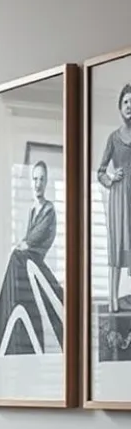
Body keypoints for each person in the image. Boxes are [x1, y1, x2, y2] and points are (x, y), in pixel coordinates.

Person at [0, 159, 63, 356]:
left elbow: (35, 237)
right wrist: (24, 244)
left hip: (37, 262)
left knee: (16, 257)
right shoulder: (33, 210)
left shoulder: (49, 209)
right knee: (16, 260)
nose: (38, 183)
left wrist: (25, 244)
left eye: (41, 179)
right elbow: (26, 239)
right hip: (29, 261)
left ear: (46, 181)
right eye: (35, 179)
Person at [97, 82, 131, 313]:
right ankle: (112, 300)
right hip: (119, 197)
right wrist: (111, 178)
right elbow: (100, 172)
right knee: (117, 244)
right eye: (126, 102)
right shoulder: (113, 138)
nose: (130, 106)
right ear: (120, 107)